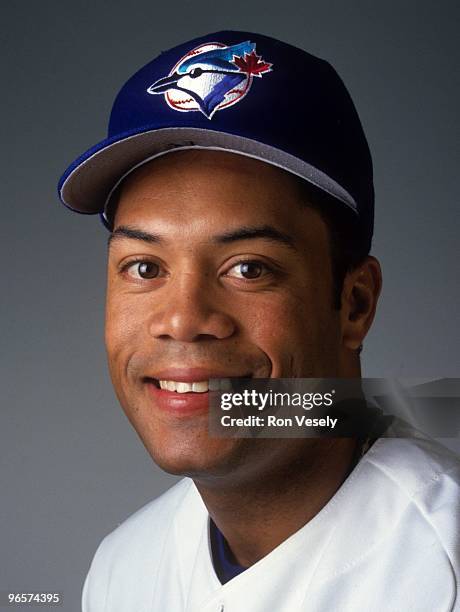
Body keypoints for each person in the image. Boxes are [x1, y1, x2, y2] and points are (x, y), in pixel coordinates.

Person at [58, 31, 460, 612]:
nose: (182, 320)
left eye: (248, 268)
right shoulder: (123, 567)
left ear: (354, 305)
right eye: (145, 266)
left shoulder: (444, 564)